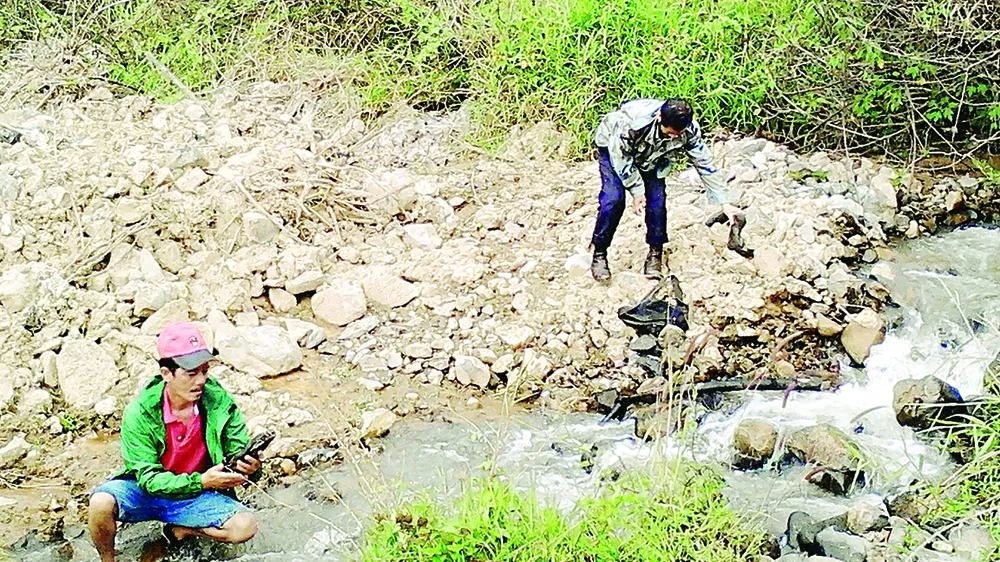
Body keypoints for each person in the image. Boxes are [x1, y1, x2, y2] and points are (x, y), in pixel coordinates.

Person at [88, 322, 261, 562]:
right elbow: (148, 479)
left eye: (205, 371)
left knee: (245, 526)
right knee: (100, 502)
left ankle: (179, 530)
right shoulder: (139, 412)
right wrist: (201, 481)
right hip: (147, 491)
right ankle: (108, 559)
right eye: (191, 373)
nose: (201, 381)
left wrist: (250, 468)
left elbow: (236, 454)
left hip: (198, 493)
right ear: (166, 374)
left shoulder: (219, 402)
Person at [590, 97, 745, 282]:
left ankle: (655, 253)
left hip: (653, 156)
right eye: (670, 133)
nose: (673, 138)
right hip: (614, 149)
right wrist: (637, 191)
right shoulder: (631, 125)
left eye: (677, 135)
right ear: (659, 118)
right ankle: (599, 253)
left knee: (657, 203)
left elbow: (704, 163)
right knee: (613, 200)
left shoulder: (689, 130)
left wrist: (724, 202)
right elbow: (621, 158)